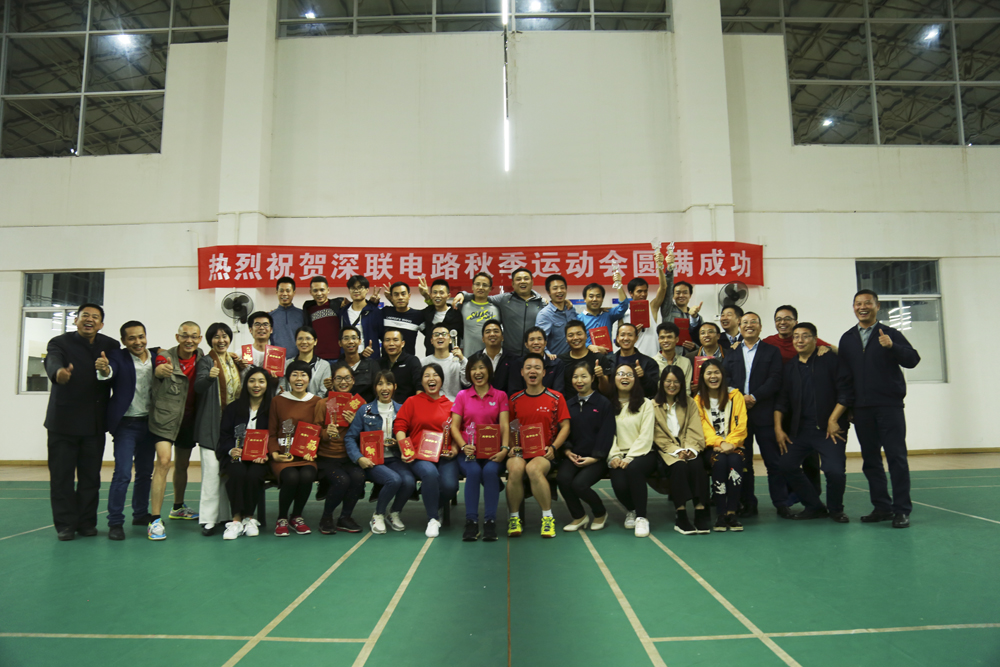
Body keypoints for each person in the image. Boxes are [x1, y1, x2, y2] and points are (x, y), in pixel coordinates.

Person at [835, 289, 920, 529]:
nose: (862, 307)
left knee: (896, 459)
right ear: (853, 307)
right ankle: (881, 507)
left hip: (889, 407)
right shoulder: (848, 338)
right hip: (861, 410)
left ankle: (902, 510)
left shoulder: (890, 334)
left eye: (867, 303)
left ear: (877, 306)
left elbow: (913, 360)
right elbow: (844, 376)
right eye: (858, 303)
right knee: (870, 461)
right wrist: (848, 405)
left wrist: (892, 346)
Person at [44, 303, 118, 541]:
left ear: (101, 324)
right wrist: (58, 374)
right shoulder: (59, 343)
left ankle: (87, 523)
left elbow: (119, 368)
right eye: (85, 315)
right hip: (62, 424)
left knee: (90, 478)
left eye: (95, 317)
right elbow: (52, 361)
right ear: (76, 320)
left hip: (94, 424)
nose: (90, 320)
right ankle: (65, 525)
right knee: (61, 478)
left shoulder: (110, 345)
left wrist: (107, 369)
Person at [774, 323, 851, 523]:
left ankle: (836, 509)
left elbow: (845, 392)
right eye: (796, 337)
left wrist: (834, 419)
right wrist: (779, 429)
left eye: (805, 336)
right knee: (786, 464)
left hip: (829, 430)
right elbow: (781, 400)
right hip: (800, 430)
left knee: (834, 471)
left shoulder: (830, 360)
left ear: (815, 339)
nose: (800, 340)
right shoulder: (790, 367)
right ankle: (814, 506)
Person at [722, 312, 786, 518]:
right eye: (745, 323)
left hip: (765, 414)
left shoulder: (772, 351)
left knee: (773, 462)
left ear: (760, 327)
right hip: (739, 417)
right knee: (743, 462)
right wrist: (741, 399)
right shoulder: (731, 352)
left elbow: (775, 379)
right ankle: (748, 503)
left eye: (753, 322)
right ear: (739, 327)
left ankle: (781, 503)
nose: (749, 325)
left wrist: (755, 397)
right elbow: (726, 379)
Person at [148, 321, 204, 540]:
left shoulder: (203, 359)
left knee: (182, 465)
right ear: (177, 337)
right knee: (163, 462)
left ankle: (178, 507)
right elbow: (156, 360)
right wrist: (158, 369)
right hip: (165, 418)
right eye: (184, 335)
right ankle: (154, 520)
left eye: (193, 336)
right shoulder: (165, 358)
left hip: (188, 420)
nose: (189, 339)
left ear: (199, 339)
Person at [506, 353, 571, 539]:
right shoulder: (515, 399)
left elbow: (565, 426)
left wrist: (554, 448)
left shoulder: (556, 397)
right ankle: (514, 518)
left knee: (534, 469)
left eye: (536, 368)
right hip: (520, 451)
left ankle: (547, 518)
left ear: (544, 372)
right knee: (516, 468)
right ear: (522, 372)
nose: (532, 371)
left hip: (545, 453)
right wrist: (512, 446)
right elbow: (512, 427)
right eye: (528, 368)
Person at [105, 320, 157, 541]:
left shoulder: (156, 356)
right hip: (126, 425)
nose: (138, 341)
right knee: (123, 473)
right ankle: (115, 522)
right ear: (124, 341)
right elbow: (109, 371)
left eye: (141, 336)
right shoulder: (117, 357)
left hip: (150, 424)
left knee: (145, 473)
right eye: (132, 338)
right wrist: (104, 369)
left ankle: (140, 513)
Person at [344, 370, 414, 534]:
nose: (384, 387)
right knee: (394, 480)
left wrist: (401, 446)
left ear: (394, 387)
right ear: (375, 388)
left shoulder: (402, 409)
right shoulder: (364, 410)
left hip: (395, 459)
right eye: (380, 383)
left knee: (409, 482)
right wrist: (359, 458)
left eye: (388, 383)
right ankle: (378, 514)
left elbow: (410, 436)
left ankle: (394, 513)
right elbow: (349, 438)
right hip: (373, 461)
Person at [394, 363, 459, 538]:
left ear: (441, 380)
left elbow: (457, 431)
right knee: (430, 474)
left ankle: (432, 498)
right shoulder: (412, 402)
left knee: (450, 486)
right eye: (426, 376)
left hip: (445, 456)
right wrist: (405, 448)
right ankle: (432, 518)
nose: (431, 379)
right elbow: (400, 426)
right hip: (419, 455)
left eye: (435, 375)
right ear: (421, 382)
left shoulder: (451, 405)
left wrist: (454, 447)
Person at [450, 353, 510, 542]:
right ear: (469, 373)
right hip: (469, 452)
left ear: (489, 371)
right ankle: (471, 522)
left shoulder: (500, 396)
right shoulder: (462, 396)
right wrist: (463, 445)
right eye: (474, 368)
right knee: (474, 472)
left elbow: (505, 425)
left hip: (494, 453)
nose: (478, 372)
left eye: (481, 368)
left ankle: (490, 522)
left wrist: (504, 450)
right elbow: (454, 426)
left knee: (491, 472)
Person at [193, 322, 245, 536]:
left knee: (226, 473)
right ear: (209, 340)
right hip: (211, 425)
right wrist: (209, 377)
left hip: (231, 427)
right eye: (216, 337)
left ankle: (224, 516)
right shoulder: (206, 361)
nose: (221, 340)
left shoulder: (233, 360)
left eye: (225, 336)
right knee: (212, 473)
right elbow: (198, 386)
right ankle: (208, 519)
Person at [217, 367, 273, 540]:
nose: (256, 385)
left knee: (254, 475)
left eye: (261, 381)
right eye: (252, 381)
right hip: (236, 456)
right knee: (237, 472)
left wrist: (267, 454)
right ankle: (235, 520)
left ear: (267, 385)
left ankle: (249, 517)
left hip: (260, 458)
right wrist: (230, 449)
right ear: (246, 383)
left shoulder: (272, 408)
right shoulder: (234, 408)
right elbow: (224, 435)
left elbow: (276, 435)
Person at [653, 365, 710, 535]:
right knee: (678, 466)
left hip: (689, 445)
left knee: (697, 465)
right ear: (662, 383)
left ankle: (700, 511)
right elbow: (657, 434)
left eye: (676, 382)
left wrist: (690, 449)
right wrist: (677, 451)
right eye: (668, 381)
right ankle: (681, 514)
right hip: (666, 449)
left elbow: (695, 429)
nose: (672, 385)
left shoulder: (689, 402)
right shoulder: (652, 405)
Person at [558, 361, 614, 532]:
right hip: (574, 455)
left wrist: (595, 457)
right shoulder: (569, 404)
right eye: (575, 377)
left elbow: (607, 433)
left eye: (583, 376)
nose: (579, 380)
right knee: (563, 479)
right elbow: (564, 431)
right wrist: (567, 451)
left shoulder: (603, 403)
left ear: (592, 378)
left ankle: (600, 513)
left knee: (579, 484)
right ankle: (579, 516)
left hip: (597, 457)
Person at [268, 360, 322, 536]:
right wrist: (275, 454)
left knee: (307, 475)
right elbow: (272, 431)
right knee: (290, 476)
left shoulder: (317, 402)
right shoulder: (277, 401)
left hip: (306, 456)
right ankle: (282, 518)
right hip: (284, 456)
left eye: (303, 374)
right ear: (288, 378)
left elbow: (319, 431)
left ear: (309, 378)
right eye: (294, 374)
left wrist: (311, 452)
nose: (299, 378)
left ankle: (296, 516)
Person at [694, 359, 748, 532]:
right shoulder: (698, 400)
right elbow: (701, 426)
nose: (713, 376)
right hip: (712, 448)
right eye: (708, 373)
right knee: (720, 463)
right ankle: (720, 513)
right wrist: (719, 442)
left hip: (734, 446)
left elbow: (741, 425)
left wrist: (729, 443)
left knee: (735, 462)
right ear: (702, 377)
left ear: (723, 375)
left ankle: (732, 512)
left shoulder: (735, 395)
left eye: (716, 372)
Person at [606, 362, 657, 538]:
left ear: (635, 380)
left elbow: (646, 434)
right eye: (620, 373)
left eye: (629, 374)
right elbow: (608, 435)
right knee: (618, 481)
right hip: (618, 453)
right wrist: (614, 456)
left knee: (634, 469)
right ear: (614, 379)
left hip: (643, 453)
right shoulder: (608, 405)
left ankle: (642, 517)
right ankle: (632, 510)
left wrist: (630, 457)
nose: (625, 377)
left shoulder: (646, 404)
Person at [316, 363, 366, 535]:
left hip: (349, 457)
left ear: (353, 381)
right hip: (328, 457)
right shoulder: (323, 404)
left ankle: (345, 517)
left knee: (358, 476)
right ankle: (326, 517)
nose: (343, 382)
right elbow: (312, 432)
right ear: (332, 381)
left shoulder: (361, 405)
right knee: (342, 480)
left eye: (347, 378)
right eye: (339, 378)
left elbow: (368, 435)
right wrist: (325, 432)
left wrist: (356, 424)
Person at [455, 268, 545, 357]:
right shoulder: (504, 299)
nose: (522, 281)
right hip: (510, 355)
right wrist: (462, 294)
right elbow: (483, 296)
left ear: (532, 282)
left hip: (534, 353)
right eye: (518, 279)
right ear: (513, 284)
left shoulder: (541, 303)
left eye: (526, 278)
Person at [618, 248, 670, 357]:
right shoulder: (624, 313)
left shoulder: (652, 307)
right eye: (639, 291)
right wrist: (632, 332)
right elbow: (618, 342)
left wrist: (660, 266)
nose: (643, 294)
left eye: (645, 291)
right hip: (631, 361)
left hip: (652, 359)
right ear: (631, 293)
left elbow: (664, 288)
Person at [558, 320, 612, 402]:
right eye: (570, 335)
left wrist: (601, 376)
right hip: (569, 408)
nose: (575, 338)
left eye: (579, 334)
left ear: (586, 336)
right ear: (566, 339)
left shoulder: (599, 358)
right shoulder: (560, 361)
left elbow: (607, 391)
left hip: (595, 406)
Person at [601, 323, 658, 399]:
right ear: (617, 338)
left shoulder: (649, 362)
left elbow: (653, 391)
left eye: (630, 335)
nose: (626, 338)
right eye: (622, 335)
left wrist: (643, 377)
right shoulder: (607, 361)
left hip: (638, 405)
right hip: (613, 405)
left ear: (636, 338)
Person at [764, 305, 835, 363]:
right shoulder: (767, 342)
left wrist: (828, 348)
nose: (782, 322)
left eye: (787, 319)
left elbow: (837, 350)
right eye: (778, 319)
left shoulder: (804, 339)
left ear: (796, 322)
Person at [302, 275, 350, 363]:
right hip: (317, 359)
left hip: (339, 358)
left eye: (322, 290)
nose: (319, 293)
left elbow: (357, 309)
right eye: (315, 290)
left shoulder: (338, 305)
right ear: (310, 292)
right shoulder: (308, 309)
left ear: (328, 290)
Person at [659, 260, 703, 352]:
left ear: (690, 295)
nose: (681, 295)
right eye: (678, 293)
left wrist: (695, 347)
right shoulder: (668, 310)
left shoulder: (696, 317)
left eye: (685, 293)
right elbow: (667, 289)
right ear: (673, 296)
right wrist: (670, 269)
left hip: (689, 357)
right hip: (670, 355)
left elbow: (702, 339)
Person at [507, 326, 565, 395]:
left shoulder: (556, 364)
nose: (536, 342)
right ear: (526, 345)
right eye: (532, 340)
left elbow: (558, 392)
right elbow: (514, 393)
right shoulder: (518, 364)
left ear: (545, 343)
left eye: (539, 339)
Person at [417, 278, 464, 357]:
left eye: (441, 293)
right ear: (431, 295)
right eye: (434, 292)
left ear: (448, 296)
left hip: (452, 359)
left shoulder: (456, 314)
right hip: (431, 358)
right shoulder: (426, 313)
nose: (438, 295)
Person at [579, 278, 629, 352]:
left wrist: (618, 284)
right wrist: (589, 346)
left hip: (608, 358)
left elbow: (623, 306)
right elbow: (575, 340)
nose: (595, 299)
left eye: (598, 296)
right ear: (584, 299)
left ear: (602, 299)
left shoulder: (608, 314)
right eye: (591, 296)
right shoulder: (578, 319)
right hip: (588, 358)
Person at [340, 274, 382, 361]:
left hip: (370, 359)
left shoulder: (375, 312)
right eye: (353, 288)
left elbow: (382, 336)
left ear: (367, 290)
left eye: (360, 287)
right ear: (349, 290)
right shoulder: (342, 312)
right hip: (348, 360)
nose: (356, 291)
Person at [535, 274, 579, 357]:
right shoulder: (544, 315)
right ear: (549, 292)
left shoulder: (570, 309)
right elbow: (539, 340)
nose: (559, 291)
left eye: (562, 287)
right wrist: (548, 356)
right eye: (555, 288)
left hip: (573, 359)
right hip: (556, 361)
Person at [422, 323, 469, 400]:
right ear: (431, 340)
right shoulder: (424, 362)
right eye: (436, 335)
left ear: (450, 340)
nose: (440, 337)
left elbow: (467, 383)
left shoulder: (460, 360)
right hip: (432, 405)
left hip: (454, 406)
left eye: (444, 334)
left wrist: (462, 360)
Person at [281, 326, 331, 397]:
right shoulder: (287, 363)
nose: (304, 342)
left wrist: (310, 404)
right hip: (290, 404)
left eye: (308, 338)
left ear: (315, 341)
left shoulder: (324, 365)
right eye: (300, 339)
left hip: (315, 405)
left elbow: (323, 391)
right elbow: (282, 387)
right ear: (295, 341)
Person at [460, 272, 502, 357]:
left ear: (490, 288)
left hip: (493, 359)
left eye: (485, 285)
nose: (480, 288)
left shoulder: (497, 309)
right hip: (469, 358)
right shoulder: (462, 306)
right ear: (472, 287)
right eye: (477, 284)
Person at [380, 281, 425, 355]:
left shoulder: (417, 315)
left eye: (403, 294)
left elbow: (431, 333)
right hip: (385, 362)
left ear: (409, 296)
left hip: (408, 363)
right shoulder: (385, 312)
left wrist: (427, 296)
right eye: (396, 295)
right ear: (391, 297)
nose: (400, 297)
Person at [337, 325, 379, 402]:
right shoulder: (336, 367)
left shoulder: (372, 364)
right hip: (343, 410)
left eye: (354, 338)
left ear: (360, 341)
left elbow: (377, 391)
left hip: (367, 409)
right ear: (340, 343)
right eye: (346, 338)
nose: (350, 341)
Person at [378, 328, 422, 402]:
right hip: (383, 407)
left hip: (406, 408)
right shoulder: (379, 363)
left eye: (395, 340)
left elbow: (420, 386)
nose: (391, 344)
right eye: (387, 340)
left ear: (402, 343)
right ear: (383, 343)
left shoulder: (412, 361)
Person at [481, 319, 519, 394]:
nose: (492, 334)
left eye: (496, 331)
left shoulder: (514, 360)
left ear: (502, 337)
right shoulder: (475, 359)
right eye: (488, 332)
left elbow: (514, 388)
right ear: (483, 339)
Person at [652, 321, 693, 389]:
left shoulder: (686, 362)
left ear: (677, 339)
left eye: (669, 337)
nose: (665, 340)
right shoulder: (652, 362)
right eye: (662, 338)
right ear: (659, 340)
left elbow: (687, 389)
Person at [270, 276, 303, 358]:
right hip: (275, 361)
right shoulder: (269, 317)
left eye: (288, 291)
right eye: (281, 291)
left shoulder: (302, 314)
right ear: (276, 292)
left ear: (294, 292)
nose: (284, 294)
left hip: (298, 360)